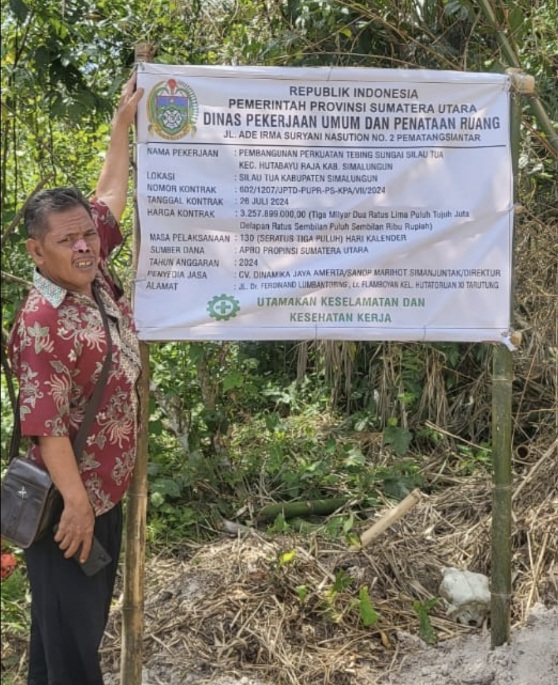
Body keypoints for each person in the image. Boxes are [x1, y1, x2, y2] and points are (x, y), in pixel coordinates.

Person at [7, 74, 144, 685]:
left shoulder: (92, 276)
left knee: (59, 640)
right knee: (73, 650)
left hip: (101, 494)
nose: (86, 245)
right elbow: (46, 427)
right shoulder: (42, 321)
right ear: (38, 253)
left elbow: (109, 196)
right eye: (69, 241)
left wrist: (122, 123)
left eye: (88, 234)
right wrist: (81, 508)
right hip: (69, 507)